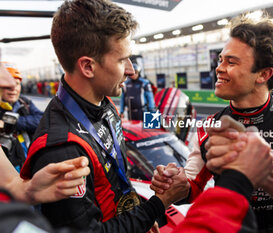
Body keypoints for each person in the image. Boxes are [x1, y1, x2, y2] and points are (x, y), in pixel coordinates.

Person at [151, 15, 273, 233]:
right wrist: (175, 182)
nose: (218, 68)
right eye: (220, 60)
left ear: (264, 74)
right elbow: (192, 187)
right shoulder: (210, 125)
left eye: (231, 62)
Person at [20, 0, 188, 232]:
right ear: (88, 67)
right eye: (122, 60)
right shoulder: (62, 149)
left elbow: (116, 185)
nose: (131, 70)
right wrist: (158, 205)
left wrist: (140, 217)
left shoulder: (104, 104)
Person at [0, 60, 90, 205]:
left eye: (17, 83)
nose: (12, 87)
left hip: (24, 167)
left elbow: (41, 119)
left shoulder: (25, 103)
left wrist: (29, 190)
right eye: (2, 82)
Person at [0, 62, 43, 158]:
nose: (13, 89)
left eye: (17, 84)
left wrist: (11, 123)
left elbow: (43, 120)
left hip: (29, 161)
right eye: (8, 85)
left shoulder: (24, 102)